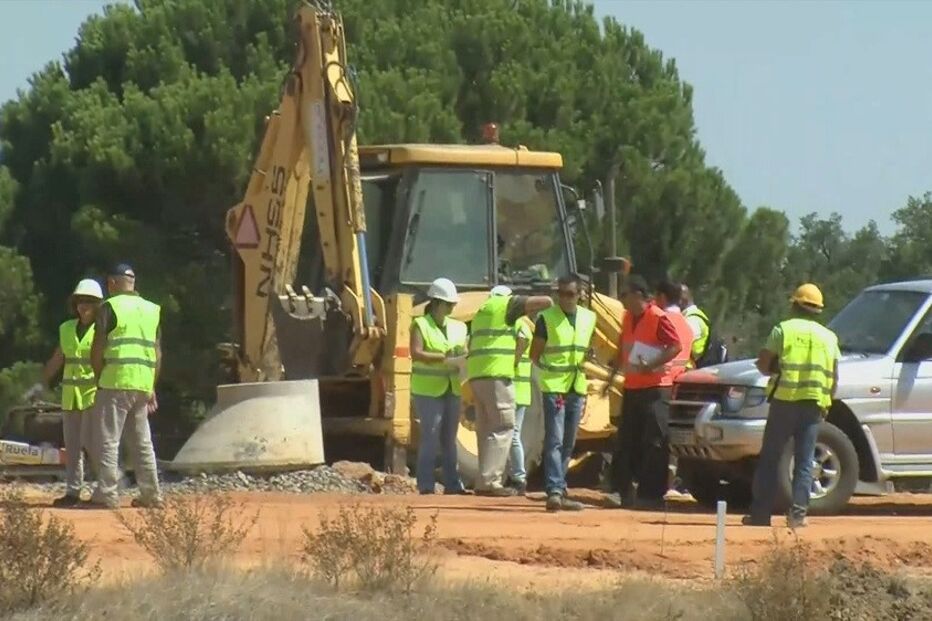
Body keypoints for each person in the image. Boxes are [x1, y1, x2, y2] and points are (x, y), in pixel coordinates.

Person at [743, 283, 840, 529]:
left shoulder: (782, 330)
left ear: (795, 304)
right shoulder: (829, 337)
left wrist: (771, 366)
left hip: (784, 401)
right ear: (818, 310)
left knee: (771, 458)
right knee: (805, 461)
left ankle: (761, 515)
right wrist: (826, 403)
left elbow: (764, 364)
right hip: (813, 403)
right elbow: (834, 376)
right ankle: (797, 516)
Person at [604, 275, 690, 509]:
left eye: (625, 294)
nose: (621, 299)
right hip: (632, 386)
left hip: (656, 388)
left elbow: (675, 346)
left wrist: (651, 365)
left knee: (654, 442)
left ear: (639, 295)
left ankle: (650, 495)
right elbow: (624, 344)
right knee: (626, 441)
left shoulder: (657, 317)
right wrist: (614, 368)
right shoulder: (627, 317)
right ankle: (622, 491)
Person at [23, 279, 104, 507]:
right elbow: (58, 358)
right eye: (80, 302)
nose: (84, 306)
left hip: (93, 395)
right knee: (73, 446)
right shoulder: (67, 328)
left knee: (96, 445)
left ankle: (106, 488)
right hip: (71, 395)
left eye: (89, 302)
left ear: (98, 305)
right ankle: (73, 491)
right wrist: (40, 384)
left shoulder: (103, 330)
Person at [89, 263, 163, 509]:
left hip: (116, 380)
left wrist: (100, 376)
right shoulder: (151, 310)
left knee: (109, 440)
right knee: (142, 442)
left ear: (112, 283)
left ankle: (107, 494)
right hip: (141, 383)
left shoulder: (109, 307)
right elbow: (157, 353)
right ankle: (151, 493)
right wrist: (151, 385)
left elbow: (98, 348)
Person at [467, 286, 553, 496]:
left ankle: (483, 479)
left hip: (478, 375)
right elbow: (546, 302)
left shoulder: (481, 312)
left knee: (486, 429)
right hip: (497, 375)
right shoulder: (503, 306)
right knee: (504, 426)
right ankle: (491, 481)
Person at [530, 274, 596, 512]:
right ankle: (554, 491)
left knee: (569, 441)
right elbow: (535, 354)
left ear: (579, 295)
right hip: (554, 387)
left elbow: (587, 348)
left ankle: (560, 486)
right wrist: (546, 376)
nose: (565, 299)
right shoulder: (546, 319)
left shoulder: (590, 318)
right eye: (561, 294)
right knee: (555, 440)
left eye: (570, 294)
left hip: (576, 386)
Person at [410, 277, 468, 495]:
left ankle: (453, 484)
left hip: (451, 387)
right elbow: (416, 352)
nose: (452, 307)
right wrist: (442, 358)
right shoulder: (421, 324)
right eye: (448, 304)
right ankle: (425, 484)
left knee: (449, 439)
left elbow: (462, 350)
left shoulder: (459, 327)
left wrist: (460, 358)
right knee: (430, 436)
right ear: (435, 302)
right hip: (427, 390)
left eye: (453, 304)